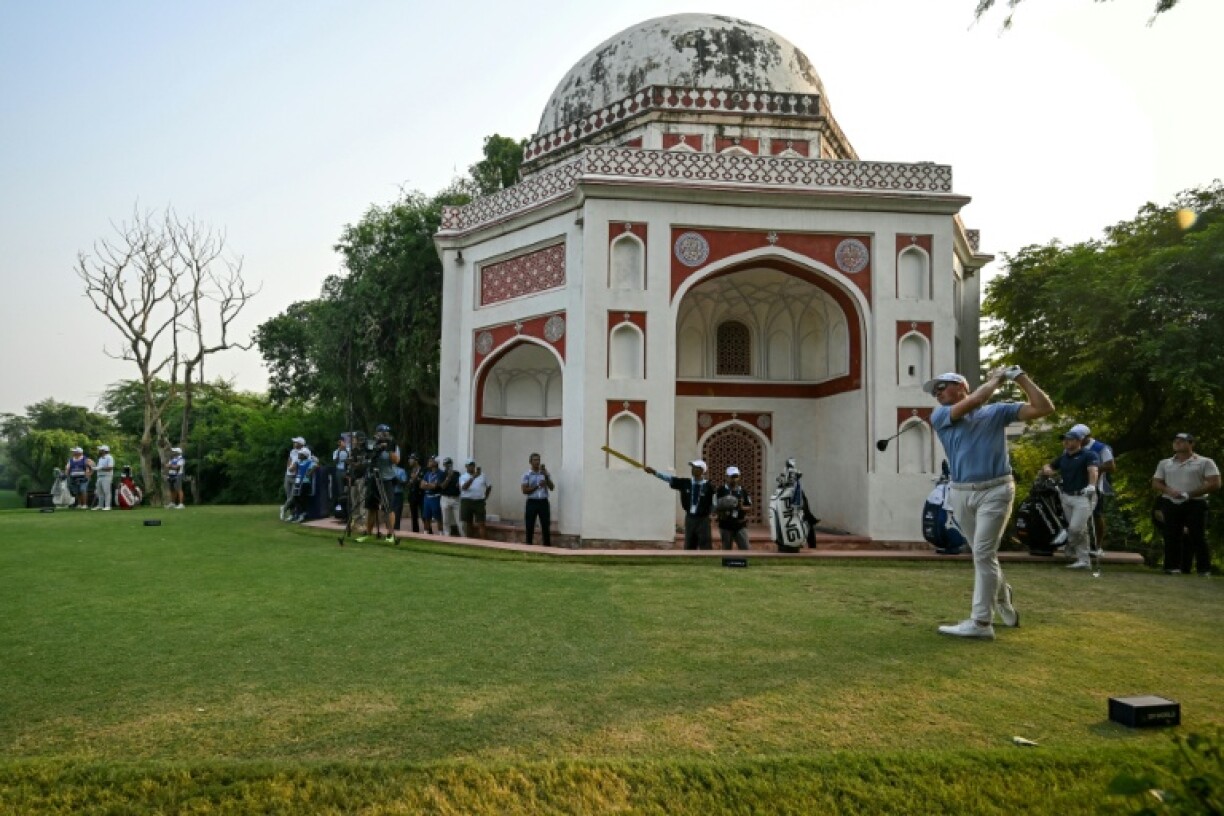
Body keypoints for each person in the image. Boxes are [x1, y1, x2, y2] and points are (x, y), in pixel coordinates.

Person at [926, 366, 1054, 640]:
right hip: (961, 491)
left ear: (961, 386)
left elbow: (1044, 408)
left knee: (983, 553)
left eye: (941, 387)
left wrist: (1020, 376)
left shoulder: (997, 412)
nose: (936, 393)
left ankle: (981, 623)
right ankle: (1002, 594)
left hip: (996, 489)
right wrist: (997, 378)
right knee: (982, 555)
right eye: (934, 390)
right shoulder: (940, 415)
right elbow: (975, 401)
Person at [1152, 433, 1221, 576]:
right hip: (1171, 502)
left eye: (1181, 441)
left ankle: (1204, 569)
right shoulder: (1165, 463)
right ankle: (1172, 568)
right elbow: (1156, 482)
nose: (1177, 443)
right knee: (1172, 535)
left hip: (1195, 502)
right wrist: (1169, 490)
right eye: (1175, 441)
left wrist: (1189, 494)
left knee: (1198, 536)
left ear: (1191, 444)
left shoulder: (1205, 462)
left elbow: (1215, 483)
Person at [1041, 427, 1100, 569]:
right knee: (1081, 530)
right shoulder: (1063, 457)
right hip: (1066, 496)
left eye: (1070, 439)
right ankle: (1084, 561)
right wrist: (1047, 469)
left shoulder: (1088, 455)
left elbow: (1093, 470)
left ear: (1079, 441)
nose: (1066, 442)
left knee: (1074, 528)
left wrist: (1092, 485)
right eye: (1065, 440)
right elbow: (1049, 465)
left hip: (1084, 497)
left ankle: (1068, 545)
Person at [644, 459, 716, 550]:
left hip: (703, 519)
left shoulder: (709, 486)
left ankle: (706, 561)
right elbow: (669, 479)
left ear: (702, 470)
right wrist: (655, 472)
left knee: (705, 543)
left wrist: (712, 515)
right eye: (692, 468)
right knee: (689, 543)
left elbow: (714, 502)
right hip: (690, 518)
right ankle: (689, 561)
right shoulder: (685, 483)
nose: (693, 470)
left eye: (696, 468)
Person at [1071, 423, 1115, 552]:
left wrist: (1092, 469)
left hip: (1095, 486)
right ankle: (1077, 545)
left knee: (1096, 515)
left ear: (1088, 436)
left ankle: (1097, 546)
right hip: (1074, 485)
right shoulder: (1072, 446)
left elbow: (1111, 466)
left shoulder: (1101, 448)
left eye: (1079, 437)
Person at [357, 424, 399, 544]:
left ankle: (390, 534)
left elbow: (396, 460)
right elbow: (367, 455)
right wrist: (376, 446)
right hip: (373, 478)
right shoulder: (372, 443)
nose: (384, 435)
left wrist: (387, 448)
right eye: (382, 433)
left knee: (388, 507)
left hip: (386, 479)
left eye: (386, 433)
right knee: (371, 507)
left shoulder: (392, 445)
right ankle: (368, 532)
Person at [521, 453, 555, 546]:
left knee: (545, 525)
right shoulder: (527, 474)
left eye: (538, 460)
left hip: (543, 502)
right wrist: (537, 486)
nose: (537, 462)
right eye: (535, 460)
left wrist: (546, 478)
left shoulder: (544, 473)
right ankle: (528, 545)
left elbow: (552, 487)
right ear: (530, 462)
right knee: (530, 525)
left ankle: (547, 546)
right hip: (532, 502)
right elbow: (524, 490)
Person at [715, 465, 752, 551]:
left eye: (736, 477)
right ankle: (726, 563)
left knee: (745, 548)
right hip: (725, 524)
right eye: (732, 477)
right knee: (727, 549)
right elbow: (715, 506)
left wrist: (741, 507)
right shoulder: (721, 490)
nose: (734, 479)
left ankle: (745, 563)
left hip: (740, 524)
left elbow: (749, 507)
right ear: (727, 477)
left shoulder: (743, 491)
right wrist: (725, 505)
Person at [458, 459, 493, 539]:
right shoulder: (463, 477)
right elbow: (464, 487)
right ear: (466, 466)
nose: (472, 467)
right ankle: (470, 541)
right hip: (466, 501)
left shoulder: (483, 475)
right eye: (470, 465)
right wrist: (473, 478)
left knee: (481, 523)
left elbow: (489, 486)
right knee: (468, 523)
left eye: (473, 465)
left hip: (479, 501)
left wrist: (485, 496)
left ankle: (483, 542)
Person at [290, 448, 317, 523]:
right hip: (298, 482)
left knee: (301, 497)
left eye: (300, 454)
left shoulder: (309, 462)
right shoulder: (298, 462)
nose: (298, 455)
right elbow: (291, 469)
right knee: (296, 497)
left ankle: (303, 513)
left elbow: (315, 466)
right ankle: (297, 513)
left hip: (305, 482)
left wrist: (309, 472)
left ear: (304, 455)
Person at [283, 437, 306, 520]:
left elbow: (298, 463)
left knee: (293, 496)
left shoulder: (303, 452)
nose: (294, 444)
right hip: (288, 475)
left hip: (296, 477)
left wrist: (293, 468)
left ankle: (284, 509)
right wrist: (289, 467)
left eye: (296, 442)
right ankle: (292, 514)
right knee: (288, 495)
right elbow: (289, 460)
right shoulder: (292, 451)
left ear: (300, 444)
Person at [438, 457, 462, 536]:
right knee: (445, 520)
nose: (448, 466)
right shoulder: (442, 474)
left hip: (455, 498)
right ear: (444, 465)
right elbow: (442, 486)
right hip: (445, 498)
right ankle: (447, 536)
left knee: (459, 520)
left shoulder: (457, 473)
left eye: (449, 464)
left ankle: (464, 537)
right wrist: (448, 477)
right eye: (446, 464)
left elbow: (459, 485)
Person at [419, 455, 443, 534]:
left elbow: (435, 486)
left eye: (431, 461)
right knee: (426, 517)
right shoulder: (427, 473)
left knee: (439, 517)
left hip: (436, 497)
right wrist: (429, 485)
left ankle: (441, 534)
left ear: (436, 463)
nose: (429, 462)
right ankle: (426, 534)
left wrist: (427, 484)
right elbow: (421, 486)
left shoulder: (440, 473)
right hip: (427, 498)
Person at [404, 453, 424, 533]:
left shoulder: (423, 470)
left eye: (411, 459)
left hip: (421, 494)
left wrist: (417, 478)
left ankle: (428, 531)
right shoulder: (410, 471)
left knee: (424, 515)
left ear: (416, 460)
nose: (409, 461)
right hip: (412, 495)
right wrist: (410, 482)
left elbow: (424, 481)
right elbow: (408, 483)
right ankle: (415, 531)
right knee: (414, 515)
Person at [93, 444, 115, 511]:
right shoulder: (100, 458)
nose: (99, 451)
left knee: (106, 491)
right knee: (100, 492)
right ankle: (100, 505)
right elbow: (99, 468)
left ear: (104, 451)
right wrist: (96, 468)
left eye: (100, 450)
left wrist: (101, 468)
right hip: (100, 476)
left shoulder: (109, 457)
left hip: (107, 476)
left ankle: (107, 506)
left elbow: (110, 467)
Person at [331, 436, 349, 516]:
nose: (340, 443)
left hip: (347, 471)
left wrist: (345, 451)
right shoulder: (336, 451)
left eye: (341, 441)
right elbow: (335, 461)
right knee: (340, 489)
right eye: (339, 442)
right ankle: (341, 509)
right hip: (339, 470)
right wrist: (339, 452)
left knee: (348, 488)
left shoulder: (348, 450)